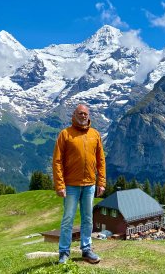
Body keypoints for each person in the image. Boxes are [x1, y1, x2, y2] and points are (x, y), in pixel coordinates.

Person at [53, 104, 106, 264]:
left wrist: (101, 182)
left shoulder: (95, 134)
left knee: (88, 218)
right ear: (74, 115)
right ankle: (64, 252)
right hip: (70, 185)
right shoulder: (65, 134)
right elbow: (57, 161)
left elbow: (101, 160)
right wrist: (60, 185)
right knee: (68, 218)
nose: (83, 116)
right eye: (80, 113)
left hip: (90, 184)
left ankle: (87, 249)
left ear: (88, 116)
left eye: (85, 114)